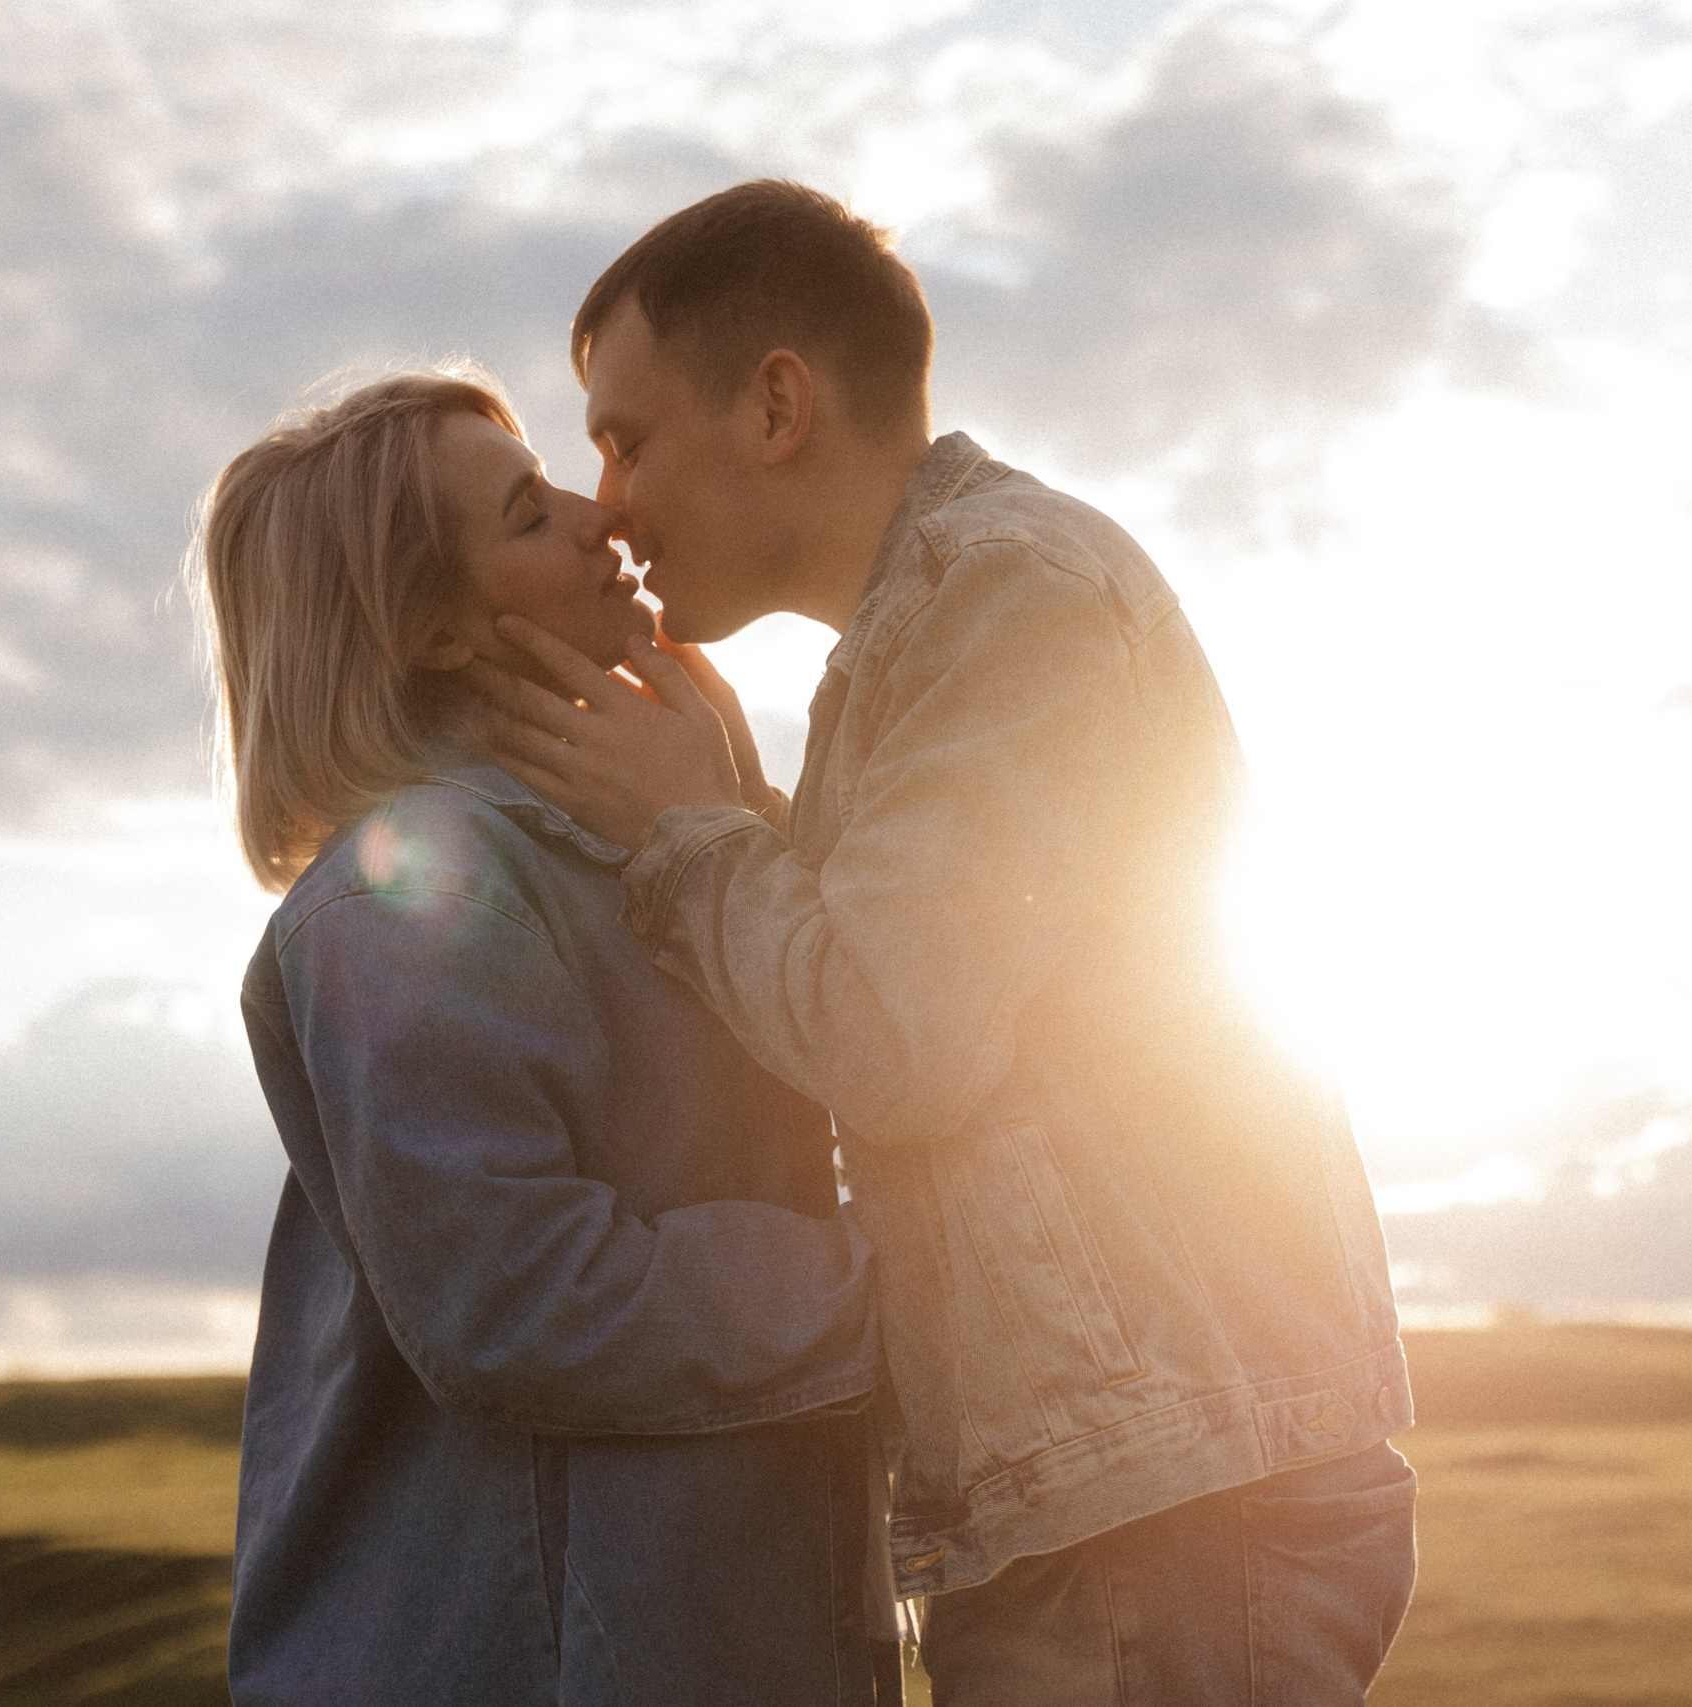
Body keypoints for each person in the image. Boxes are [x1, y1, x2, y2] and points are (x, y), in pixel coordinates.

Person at [477, 181, 1419, 1702]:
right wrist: (736, 814)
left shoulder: (1009, 592)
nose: (613, 506)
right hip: (1131, 1492)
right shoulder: (916, 639)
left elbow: (892, 1037)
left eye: (625, 439)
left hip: (1162, 1504)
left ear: (778, 402)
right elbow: (931, 974)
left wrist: (688, 833)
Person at [197, 369, 900, 1706]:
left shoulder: (639, 844)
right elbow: (520, 1300)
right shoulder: (409, 898)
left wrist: (730, 818)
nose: (603, 518)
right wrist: (898, 1282)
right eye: (529, 516)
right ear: (435, 632)